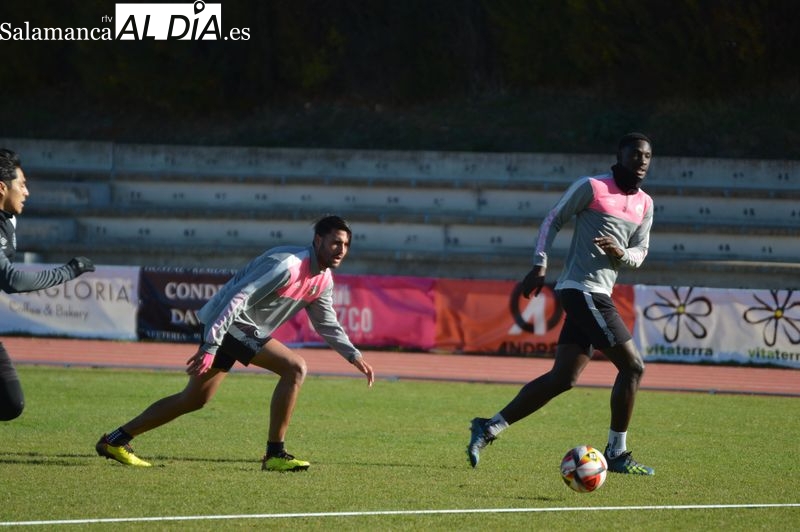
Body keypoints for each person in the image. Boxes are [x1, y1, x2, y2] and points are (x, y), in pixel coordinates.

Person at [96, 215, 375, 471]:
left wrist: (353, 355)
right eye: (335, 242)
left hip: (238, 329)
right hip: (228, 323)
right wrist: (211, 345)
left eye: (346, 244)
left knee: (193, 399)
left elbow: (326, 322)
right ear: (318, 241)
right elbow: (237, 299)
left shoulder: (323, 279)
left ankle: (115, 440)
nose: (341, 249)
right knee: (295, 368)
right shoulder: (287, 265)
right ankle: (275, 454)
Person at [467, 132, 655, 475]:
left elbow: (640, 253)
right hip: (583, 290)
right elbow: (554, 218)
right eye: (635, 155)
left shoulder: (645, 203)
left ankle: (488, 427)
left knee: (563, 378)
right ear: (620, 155)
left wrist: (621, 253)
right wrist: (540, 263)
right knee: (633, 367)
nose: (641, 161)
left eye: (647, 157)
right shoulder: (593, 187)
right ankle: (616, 452)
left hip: (599, 293)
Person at [0, 148, 95, 421]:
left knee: (11, 404)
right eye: (22, 184)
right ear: (2, 187)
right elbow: (12, 280)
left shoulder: (8, 221)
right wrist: (68, 271)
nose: (27, 192)